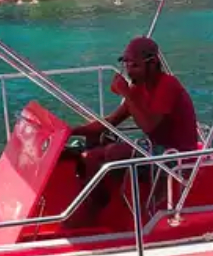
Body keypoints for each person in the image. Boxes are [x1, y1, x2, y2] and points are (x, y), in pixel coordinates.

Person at [64, 36, 199, 228]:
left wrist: (126, 93)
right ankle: (95, 207)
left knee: (114, 153)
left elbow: (151, 127)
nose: (128, 70)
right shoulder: (138, 88)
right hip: (154, 149)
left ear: (152, 64)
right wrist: (72, 131)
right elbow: (111, 121)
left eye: (134, 65)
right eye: (126, 65)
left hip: (177, 153)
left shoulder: (167, 85)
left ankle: (133, 208)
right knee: (91, 156)